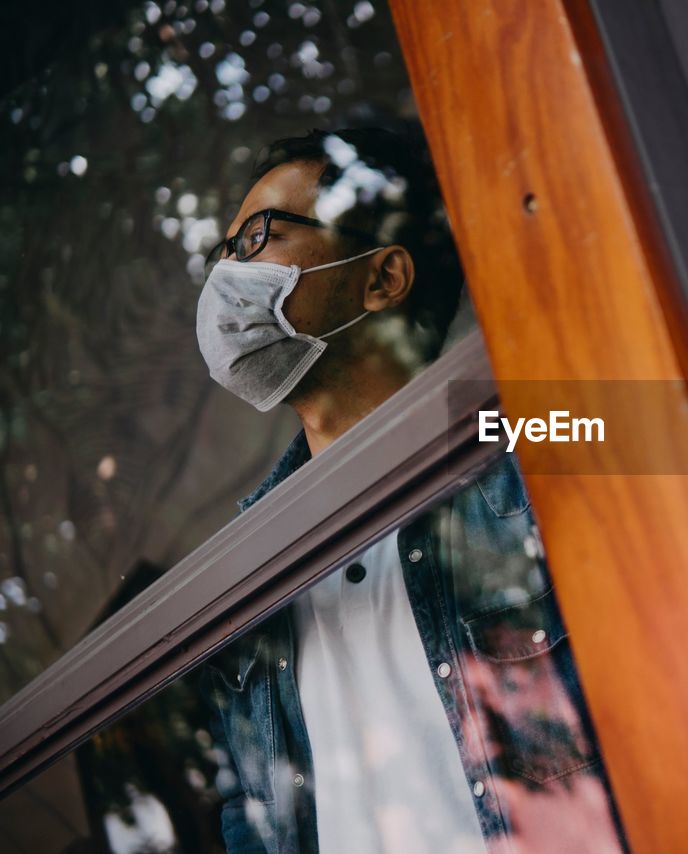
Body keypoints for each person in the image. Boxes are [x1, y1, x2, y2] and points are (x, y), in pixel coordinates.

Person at [195, 127, 627, 854]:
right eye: (225, 252)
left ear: (383, 278)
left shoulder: (529, 461)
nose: (225, 278)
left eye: (259, 236)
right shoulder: (242, 576)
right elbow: (249, 815)